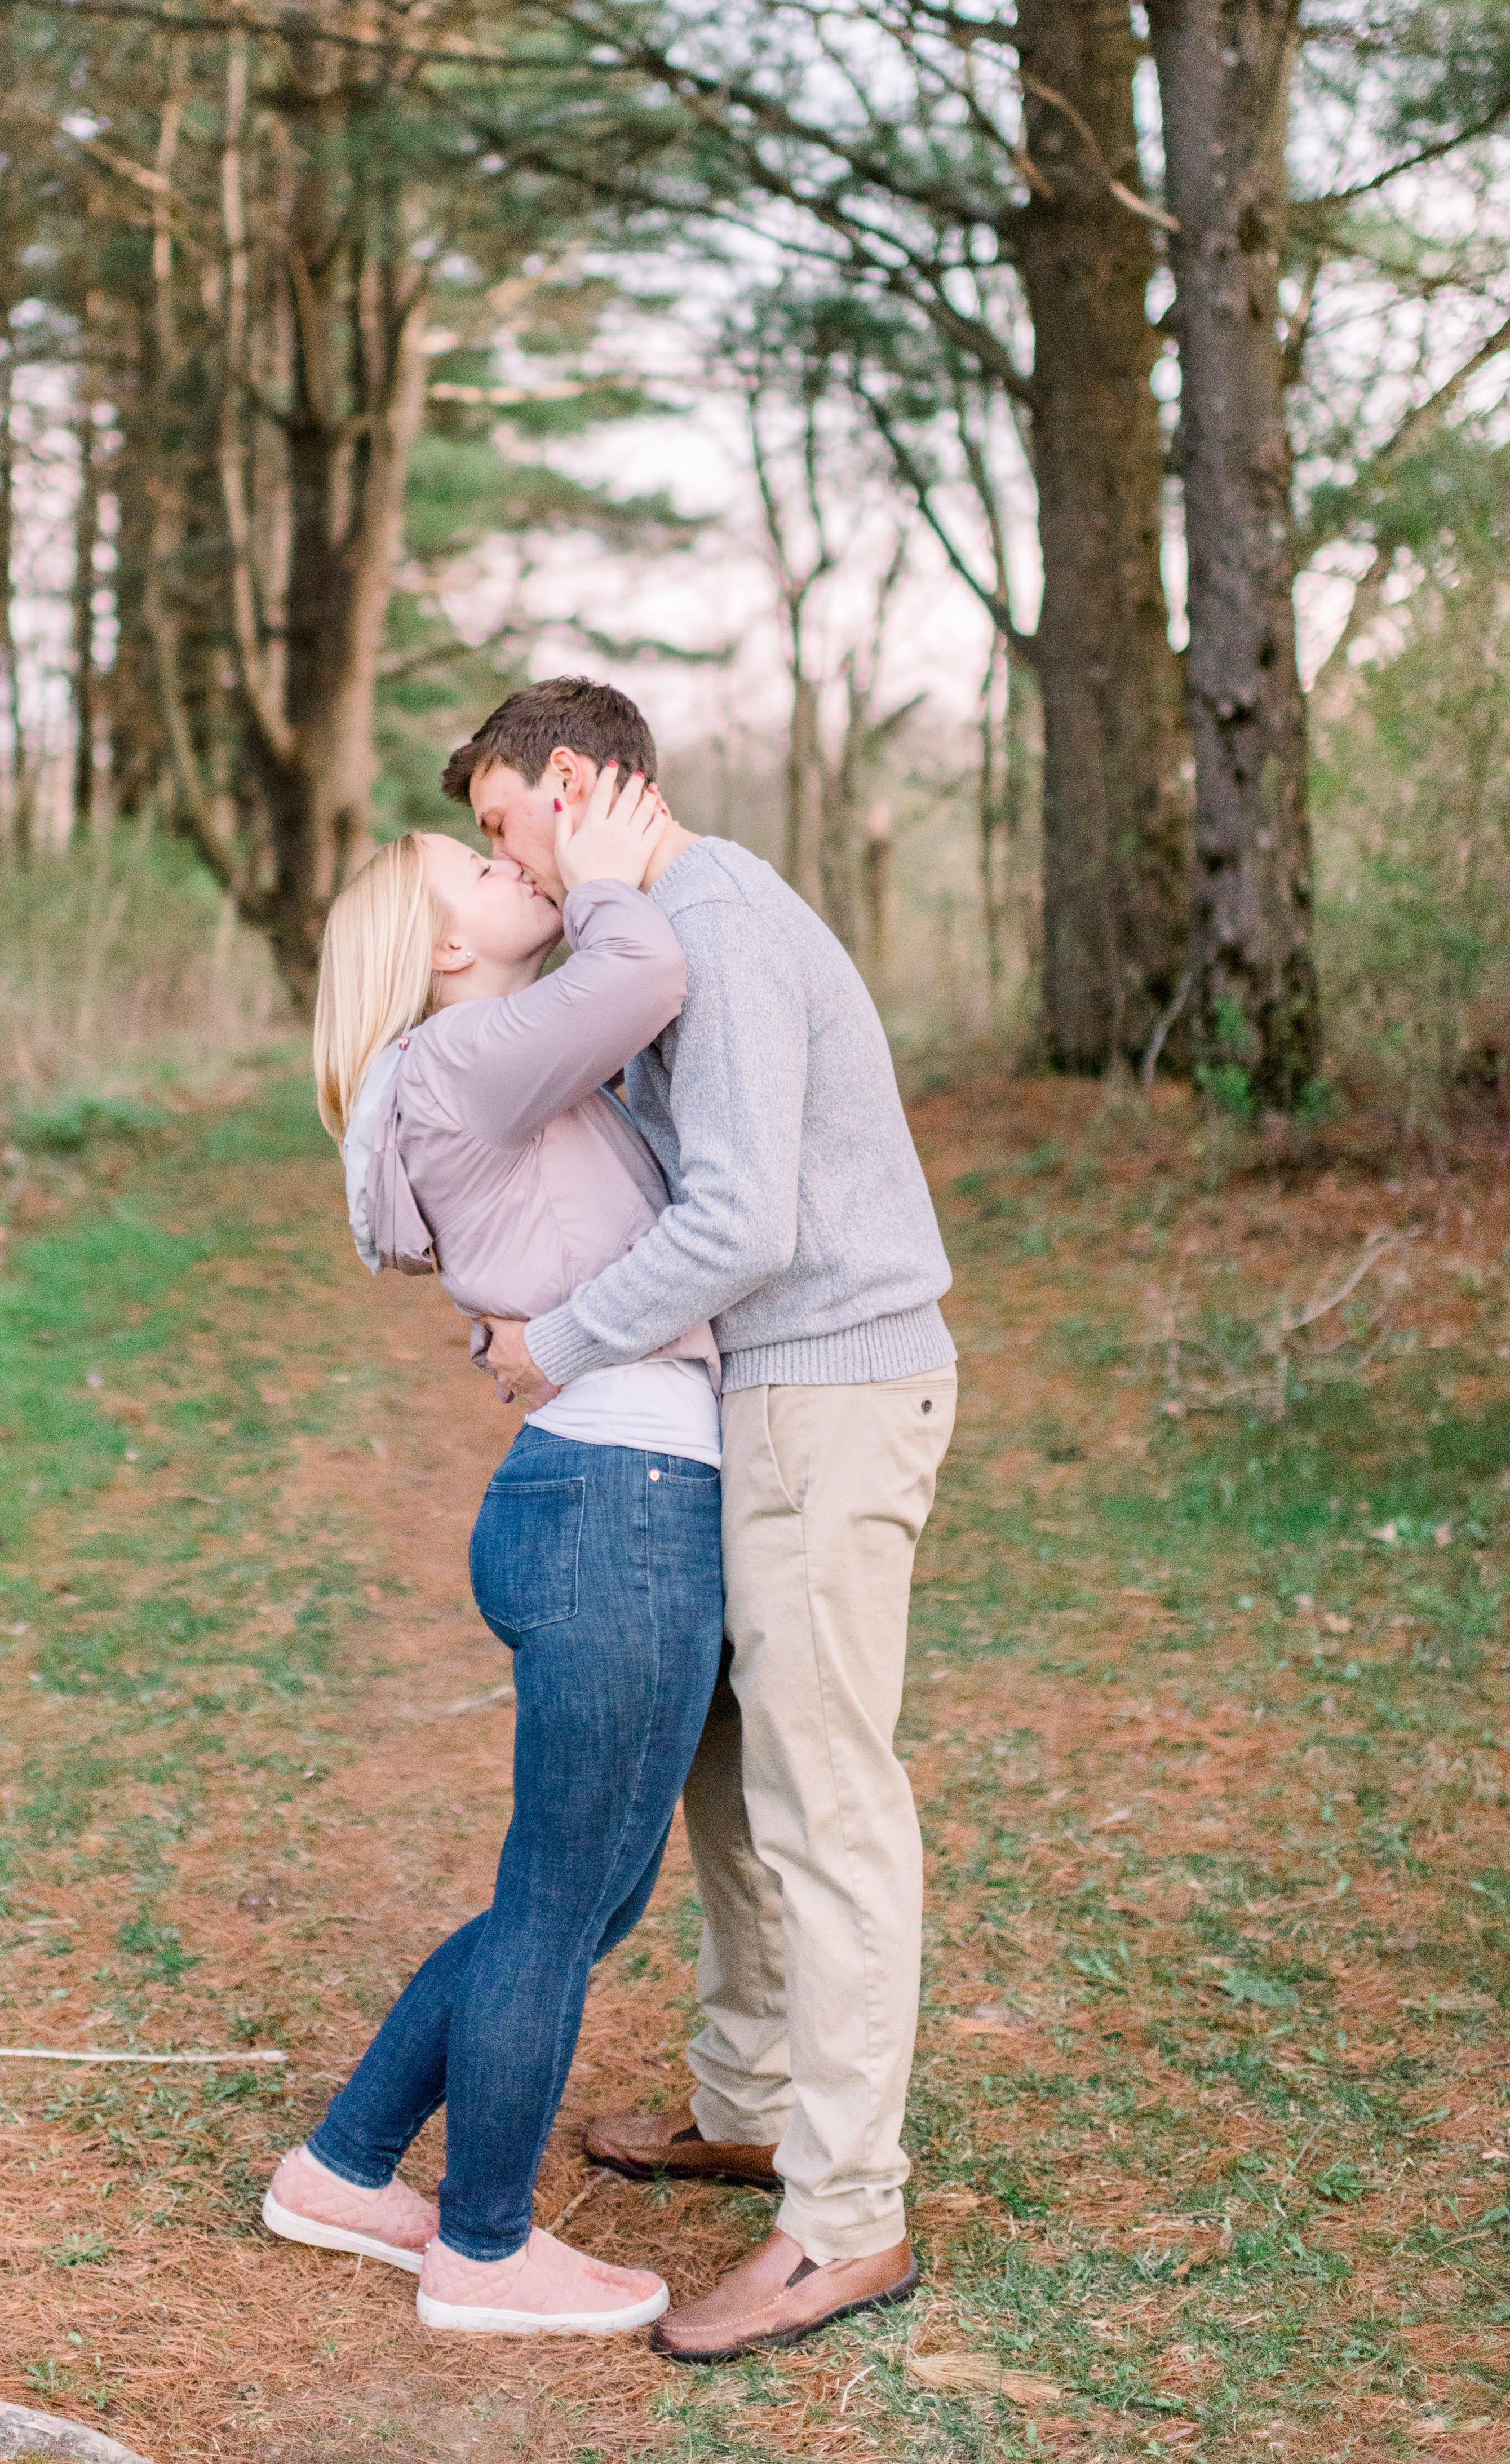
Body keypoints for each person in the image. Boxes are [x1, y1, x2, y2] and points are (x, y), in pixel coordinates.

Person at [456, 678, 956, 2365]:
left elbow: (742, 1215)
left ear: (578, 783)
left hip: (829, 1393)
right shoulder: (662, 937)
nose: (502, 863)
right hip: (759, 1405)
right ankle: (749, 2106)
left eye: (502, 823)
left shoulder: (718, 914)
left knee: (825, 1802)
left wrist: (558, 1339)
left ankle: (844, 2221)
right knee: (731, 1786)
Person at [264, 771, 725, 2339]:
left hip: (594, 1494)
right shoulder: (461, 1054)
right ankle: (478, 2247)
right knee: (560, 1904)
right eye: (476, 859)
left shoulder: (473, 1069)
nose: (506, 859)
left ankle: (344, 2166)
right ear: (439, 945)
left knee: (584, 1900)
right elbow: (650, 969)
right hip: (617, 1501)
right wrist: (602, 868)